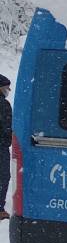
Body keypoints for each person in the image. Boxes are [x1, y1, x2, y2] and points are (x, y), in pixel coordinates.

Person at [0, 74, 10, 220]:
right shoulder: (3, 104)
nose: (9, 89)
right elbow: (7, 128)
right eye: (7, 87)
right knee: (3, 176)